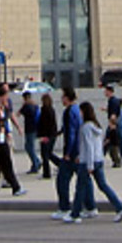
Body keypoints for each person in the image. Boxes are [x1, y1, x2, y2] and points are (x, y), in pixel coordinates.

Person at [65, 100, 122, 224]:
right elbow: (95, 145)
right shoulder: (96, 126)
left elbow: (88, 146)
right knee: (103, 186)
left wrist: (88, 163)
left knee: (80, 188)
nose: (79, 114)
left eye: (80, 111)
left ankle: (75, 214)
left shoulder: (85, 127)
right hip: (98, 160)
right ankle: (120, 208)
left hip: (88, 162)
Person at [49, 87, 87, 220]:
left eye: (62, 96)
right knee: (84, 180)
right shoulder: (77, 110)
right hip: (79, 150)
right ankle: (89, 206)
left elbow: (70, 133)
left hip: (71, 152)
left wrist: (67, 153)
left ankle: (64, 207)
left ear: (67, 97)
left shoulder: (68, 112)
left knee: (62, 180)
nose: (61, 99)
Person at [102, 84, 122, 166]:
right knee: (114, 140)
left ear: (110, 91)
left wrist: (112, 123)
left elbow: (114, 113)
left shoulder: (113, 101)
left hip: (114, 123)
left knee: (111, 140)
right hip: (114, 123)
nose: (105, 93)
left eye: (106, 91)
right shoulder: (113, 101)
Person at [37, 92, 59, 179]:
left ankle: (47, 172)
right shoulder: (51, 109)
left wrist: (42, 135)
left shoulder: (44, 110)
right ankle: (60, 163)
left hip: (46, 135)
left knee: (45, 154)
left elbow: (43, 124)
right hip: (52, 134)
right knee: (49, 153)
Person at [18, 90, 41, 174]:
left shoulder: (27, 106)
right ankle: (37, 161)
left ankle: (35, 164)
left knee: (29, 147)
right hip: (35, 128)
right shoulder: (35, 105)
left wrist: (23, 106)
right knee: (30, 147)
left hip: (29, 129)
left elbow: (18, 113)